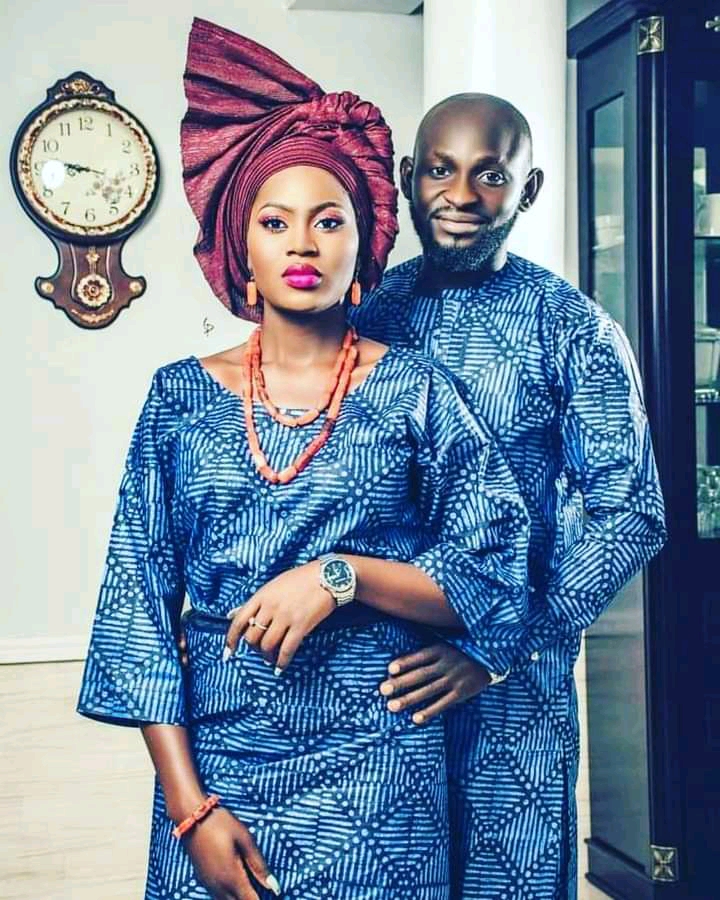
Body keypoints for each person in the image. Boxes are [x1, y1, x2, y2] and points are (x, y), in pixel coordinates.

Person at [77, 23, 530, 900]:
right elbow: (136, 614)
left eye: (329, 220)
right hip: (220, 772)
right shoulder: (178, 399)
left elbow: (496, 575)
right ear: (239, 247)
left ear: (364, 243)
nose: (302, 243)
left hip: (381, 773)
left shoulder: (417, 391)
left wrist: (339, 576)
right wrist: (189, 812)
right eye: (274, 221)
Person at [350, 93, 667, 899]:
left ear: (528, 190)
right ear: (408, 176)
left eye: (490, 175)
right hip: (377, 682)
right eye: (441, 170)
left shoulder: (575, 330)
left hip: (516, 691)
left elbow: (631, 511)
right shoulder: (365, 317)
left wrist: (498, 648)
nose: (461, 195)